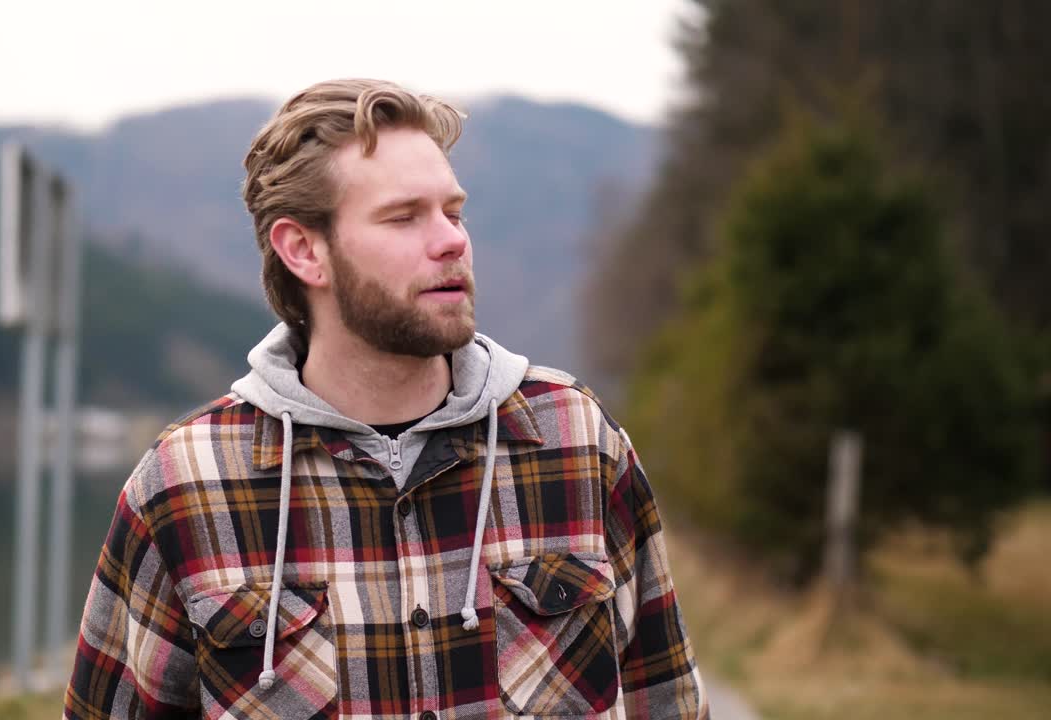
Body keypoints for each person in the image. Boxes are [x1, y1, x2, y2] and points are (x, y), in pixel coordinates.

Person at [64, 78, 707, 720]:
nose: (452, 240)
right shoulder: (183, 486)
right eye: (405, 217)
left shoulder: (575, 440)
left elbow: (671, 701)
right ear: (305, 250)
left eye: (453, 212)